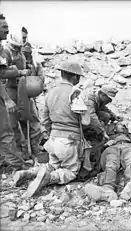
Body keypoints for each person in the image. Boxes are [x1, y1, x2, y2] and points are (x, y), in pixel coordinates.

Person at [14, 61, 88, 198]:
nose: (79, 79)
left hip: (53, 140)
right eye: (78, 77)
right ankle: (49, 178)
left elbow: (45, 120)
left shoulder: (50, 92)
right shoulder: (75, 93)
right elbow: (86, 121)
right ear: (74, 77)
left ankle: (29, 173)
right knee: (71, 171)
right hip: (69, 140)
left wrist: (51, 132)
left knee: (52, 164)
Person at [84, 122, 131, 202]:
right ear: (114, 128)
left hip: (130, 146)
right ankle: (107, 190)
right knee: (111, 163)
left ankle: (130, 186)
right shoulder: (107, 137)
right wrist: (105, 145)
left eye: (124, 125)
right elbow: (95, 150)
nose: (123, 126)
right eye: (120, 124)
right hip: (112, 147)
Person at [4, 34, 42, 160]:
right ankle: (19, 154)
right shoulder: (5, 53)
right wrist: (19, 72)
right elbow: (2, 73)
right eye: (16, 47)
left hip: (23, 89)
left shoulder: (22, 55)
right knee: (13, 124)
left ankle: (34, 149)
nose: (18, 49)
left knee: (30, 118)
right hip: (10, 90)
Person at [0, 14, 29, 170]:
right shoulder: (4, 52)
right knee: (7, 131)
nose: (7, 29)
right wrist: (17, 72)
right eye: (4, 27)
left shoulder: (8, 51)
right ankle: (17, 165)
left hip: (15, 91)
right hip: (7, 92)